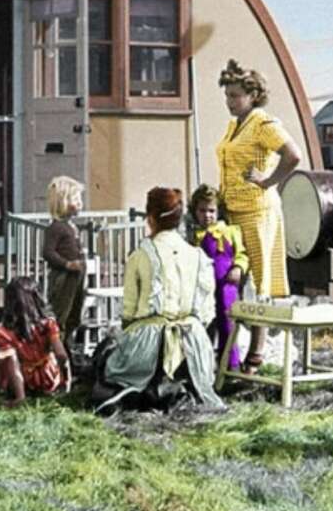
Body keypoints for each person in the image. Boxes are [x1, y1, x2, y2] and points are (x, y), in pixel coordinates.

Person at [93, 187, 224, 412]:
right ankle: (176, 387)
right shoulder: (198, 256)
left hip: (148, 343)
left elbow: (128, 312)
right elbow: (206, 313)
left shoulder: (140, 255)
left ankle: (145, 390)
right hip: (192, 343)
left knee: (107, 360)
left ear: (151, 218)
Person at [216, 59, 302, 370]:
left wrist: (268, 181)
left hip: (257, 212)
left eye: (235, 96)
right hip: (233, 212)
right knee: (234, 279)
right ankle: (232, 350)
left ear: (253, 96)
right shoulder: (234, 126)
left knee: (256, 281)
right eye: (227, 96)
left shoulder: (263, 123)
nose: (230, 102)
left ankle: (256, 352)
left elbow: (293, 155)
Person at [0, 276, 71, 407]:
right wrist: (66, 382)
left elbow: (13, 364)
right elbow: (61, 355)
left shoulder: (3, 331)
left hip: (23, 381)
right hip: (48, 380)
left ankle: (16, 391)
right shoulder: (48, 323)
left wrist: (20, 397)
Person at [188, 184, 249, 371]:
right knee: (204, 326)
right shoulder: (195, 237)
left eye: (212, 211)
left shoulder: (229, 231)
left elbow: (242, 254)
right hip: (204, 288)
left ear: (219, 211)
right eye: (202, 211)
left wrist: (238, 268)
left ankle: (231, 366)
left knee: (227, 324)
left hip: (225, 286)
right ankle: (204, 368)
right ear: (195, 212)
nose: (207, 215)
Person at [42, 175, 86, 351]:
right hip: (63, 277)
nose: (80, 203)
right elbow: (48, 252)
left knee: (75, 314)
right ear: (63, 202)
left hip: (76, 276)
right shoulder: (56, 228)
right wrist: (66, 264)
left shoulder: (72, 227)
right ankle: (55, 350)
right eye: (75, 199)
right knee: (61, 314)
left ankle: (67, 347)